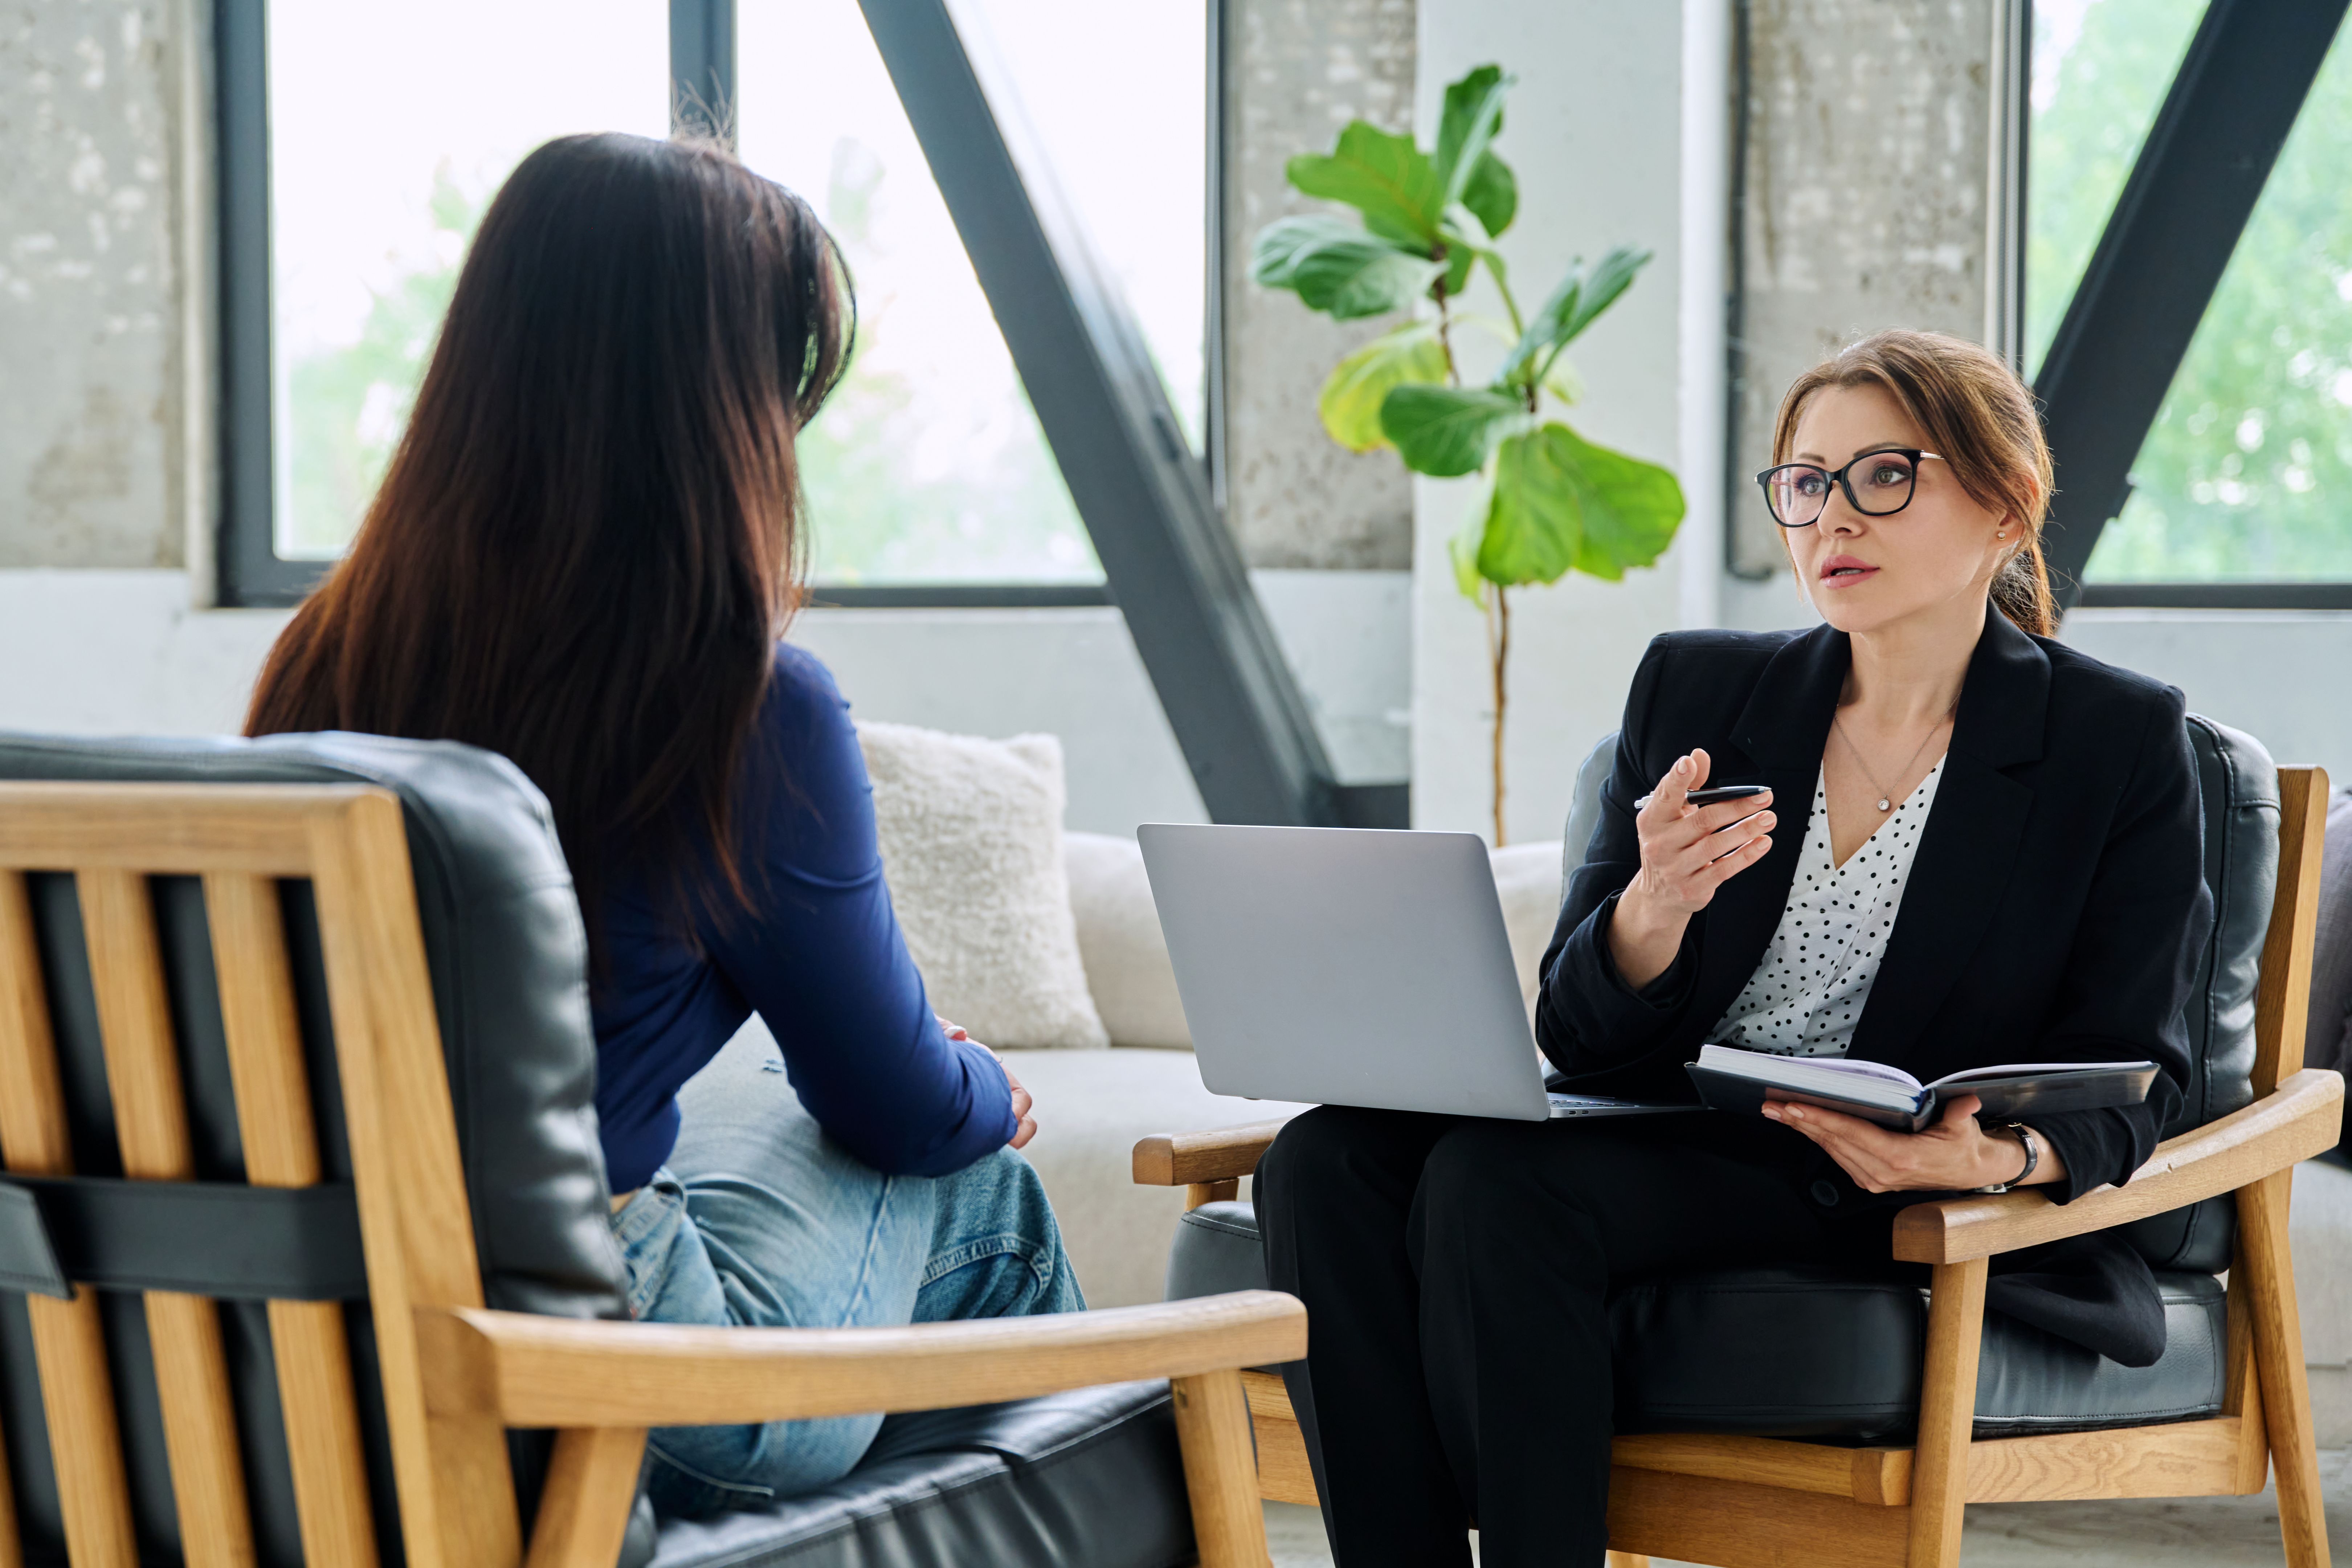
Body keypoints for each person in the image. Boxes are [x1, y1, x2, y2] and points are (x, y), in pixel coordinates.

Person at [1254, 328, 2213, 1567]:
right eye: (1806, 482)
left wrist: (1997, 1157)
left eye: (1883, 476)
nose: (1831, 520)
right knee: (1322, 1161)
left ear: (2003, 506)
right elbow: (1579, 1034)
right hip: (1671, 1128)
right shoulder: (1699, 694)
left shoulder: (2115, 742)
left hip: (1875, 1173)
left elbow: (2143, 1066)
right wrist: (1651, 909)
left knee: (1500, 1189)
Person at [243, 133, 1082, 1516]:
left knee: (746, 1105)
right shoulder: (745, 710)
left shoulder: (321, 666)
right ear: (724, 415)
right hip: (621, 1382)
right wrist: (986, 1089)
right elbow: (904, 1106)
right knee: (985, 1198)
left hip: (338, 1347)